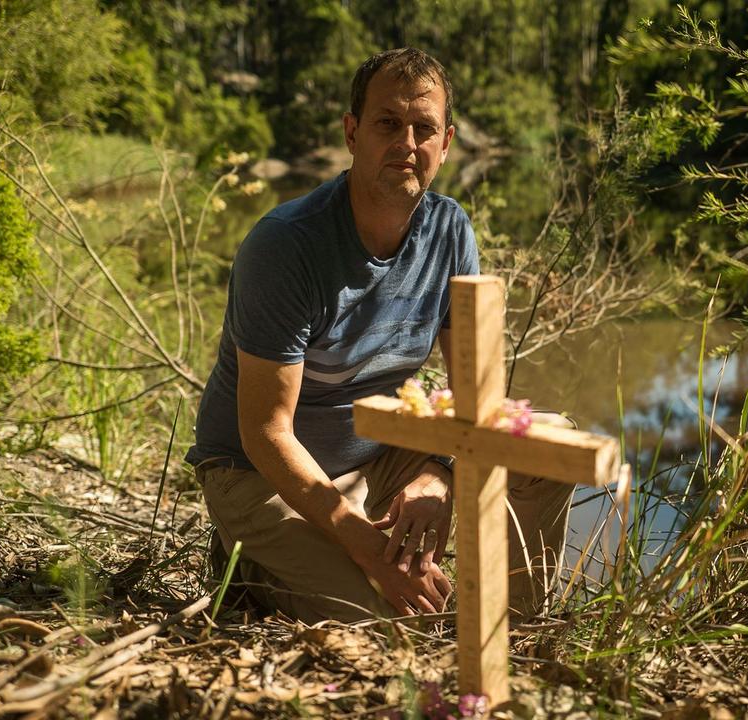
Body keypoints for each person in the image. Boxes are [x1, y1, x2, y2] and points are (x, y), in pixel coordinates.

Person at [184, 48, 572, 623]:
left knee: (553, 447)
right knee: (389, 622)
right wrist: (364, 545)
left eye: (424, 129)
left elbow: (477, 389)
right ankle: (252, 565)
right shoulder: (286, 246)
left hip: (377, 456)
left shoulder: (450, 229)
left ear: (446, 143)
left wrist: (438, 472)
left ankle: (511, 628)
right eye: (388, 123)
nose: (406, 143)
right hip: (257, 473)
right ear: (352, 132)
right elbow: (265, 431)